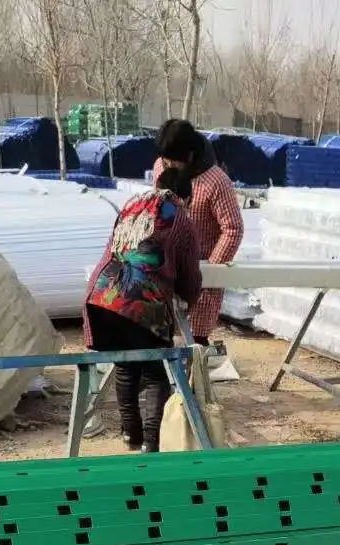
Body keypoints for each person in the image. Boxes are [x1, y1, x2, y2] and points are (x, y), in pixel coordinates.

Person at [83, 168, 202, 453]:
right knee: (155, 373)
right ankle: (151, 441)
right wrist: (189, 300)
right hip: (140, 299)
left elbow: (114, 249)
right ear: (186, 197)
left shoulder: (131, 205)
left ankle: (131, 436)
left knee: (125, 367)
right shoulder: (180, 217)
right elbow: (190, 276)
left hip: (103, 296)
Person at [153, 118, 244, 345]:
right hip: (165, 268)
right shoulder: (161, 167)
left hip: (200, 270)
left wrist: (208, 271)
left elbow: (233, 229)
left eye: (173, 160)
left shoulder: (216, 182)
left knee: (194, 340)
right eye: (165, 158)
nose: (168, 164)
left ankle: (195, 365)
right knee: (161, 335)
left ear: (189, 154)